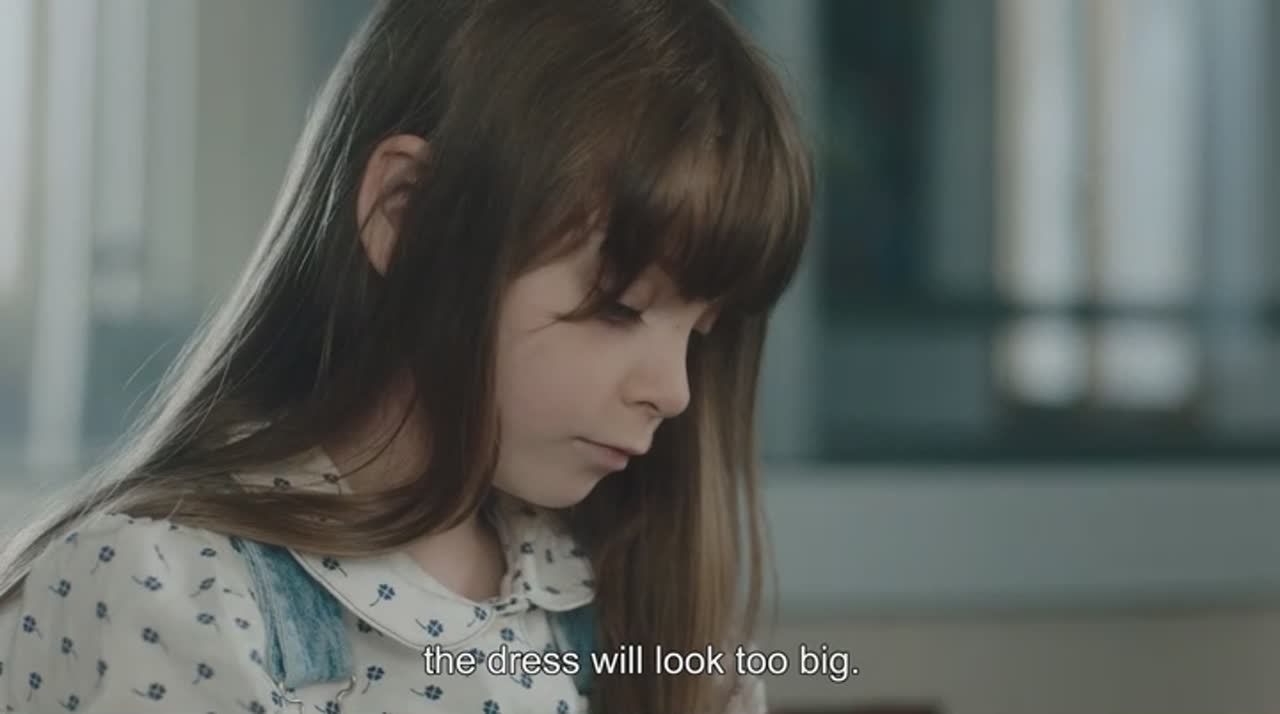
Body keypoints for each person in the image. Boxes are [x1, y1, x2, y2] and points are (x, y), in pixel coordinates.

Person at [0, 0, 813, 711]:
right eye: (620, 305)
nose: (673, 391)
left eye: (700, 334)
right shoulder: (171, 591)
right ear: (406, 213)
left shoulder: (631, 604)